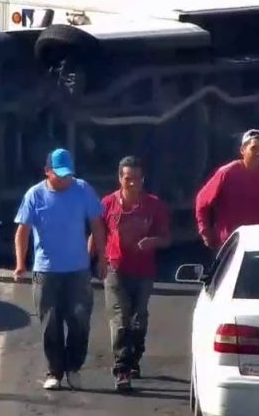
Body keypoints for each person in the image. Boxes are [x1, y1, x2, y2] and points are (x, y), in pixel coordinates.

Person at [14, 148, 107, 391]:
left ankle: (74, 368)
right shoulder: (35, 195)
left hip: (77, 270)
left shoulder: (83, 189)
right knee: (50, 323)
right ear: (47, 172)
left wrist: (102, 258)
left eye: (69, 174)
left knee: (79, 320)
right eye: (60, 175)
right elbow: (22, 231)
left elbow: (97, 224)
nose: (66, 179)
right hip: (46, 271)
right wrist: (20, 263)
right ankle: (54, 370)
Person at [94, 156, 171, 391]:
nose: (132, 183)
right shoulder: (107, 204)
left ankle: (134, 358)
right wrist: (92, 261)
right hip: (115, 270)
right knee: (120, 321)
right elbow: (97, 234)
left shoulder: (154, 205)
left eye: (136, 179)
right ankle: (122, 369)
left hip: (143, 273)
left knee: (138, 322)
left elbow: (167, 239)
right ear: (120, 179)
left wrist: (152, 241)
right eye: (128, 178)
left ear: (142, 179)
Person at [195, 129, 259, 252]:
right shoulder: (227, 172)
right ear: (242, 151)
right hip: (229, 244)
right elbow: (202, 201)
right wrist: (205, 232)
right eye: (254, 148)